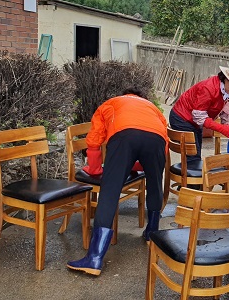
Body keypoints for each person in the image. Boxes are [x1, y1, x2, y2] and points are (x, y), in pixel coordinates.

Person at [67, 87, 168, 276]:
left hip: (124, 137)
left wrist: (96, 169)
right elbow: (162, 147)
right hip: (157, 140)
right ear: (142, 98)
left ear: (125, 95)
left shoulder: (112, 103)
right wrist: (143, 166)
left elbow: (95, 139)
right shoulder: (153, 108)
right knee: (155, 185)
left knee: (110, 191)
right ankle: (151, 232)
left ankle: (95, 257)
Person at [169, 62, 229, 164]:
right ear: (225, 78)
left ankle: (193, 177)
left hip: (194, 121)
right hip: (181, 117)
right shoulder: (208, 88)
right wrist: (221, 128)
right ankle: (191, 178)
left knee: (196, 153)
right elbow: (199, 116)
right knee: (193, 157)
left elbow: (227, 112)